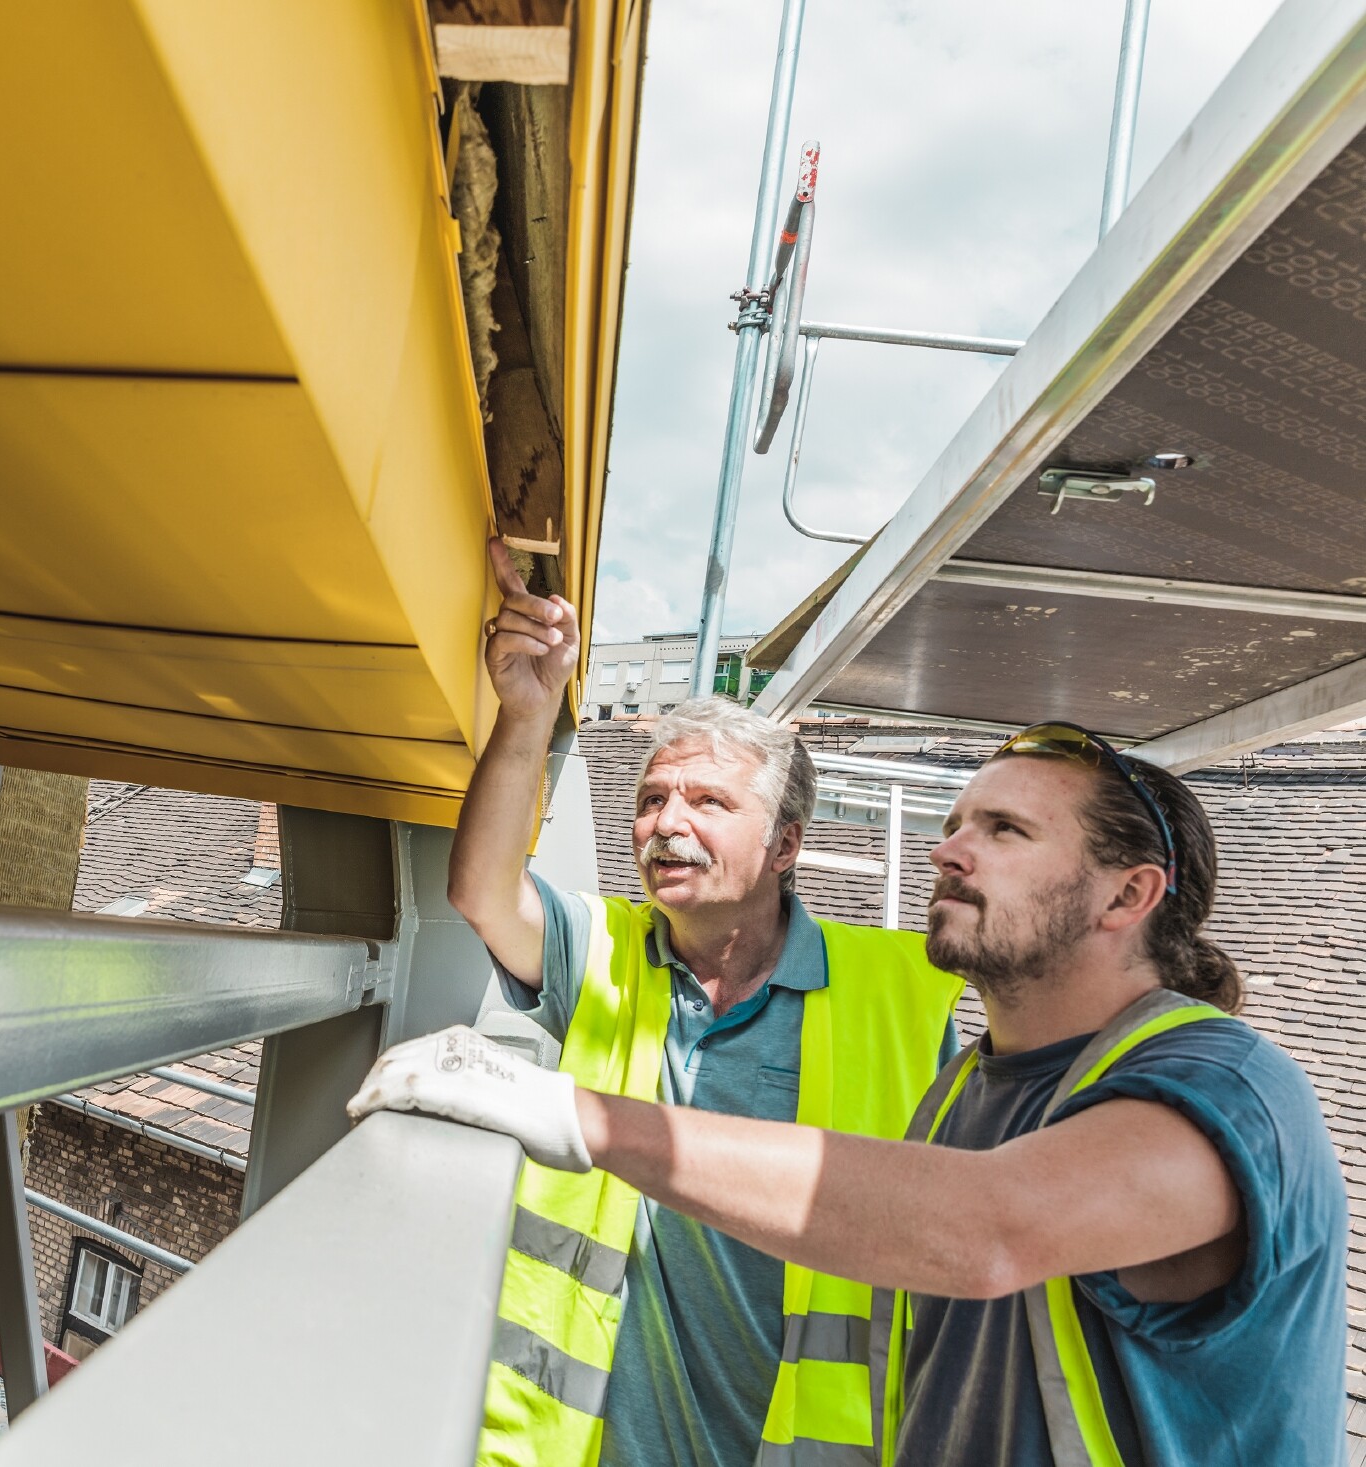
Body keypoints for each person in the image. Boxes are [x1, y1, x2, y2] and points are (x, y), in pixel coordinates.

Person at [358, 720, 1347, 1465]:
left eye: (1001, 830)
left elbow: (984, 1229)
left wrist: (576, 1116)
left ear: (1126, 897)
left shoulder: (1225, 1088)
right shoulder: (971, 1086)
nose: (944, 849)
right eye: (955, 822)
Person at [445, 539, 963, 1467]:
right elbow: (485, 890)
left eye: (708, 802)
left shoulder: (906, 995)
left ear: (785, 846)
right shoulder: (604, 950)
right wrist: (526, 713)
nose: (667, 825)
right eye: (652, 800)